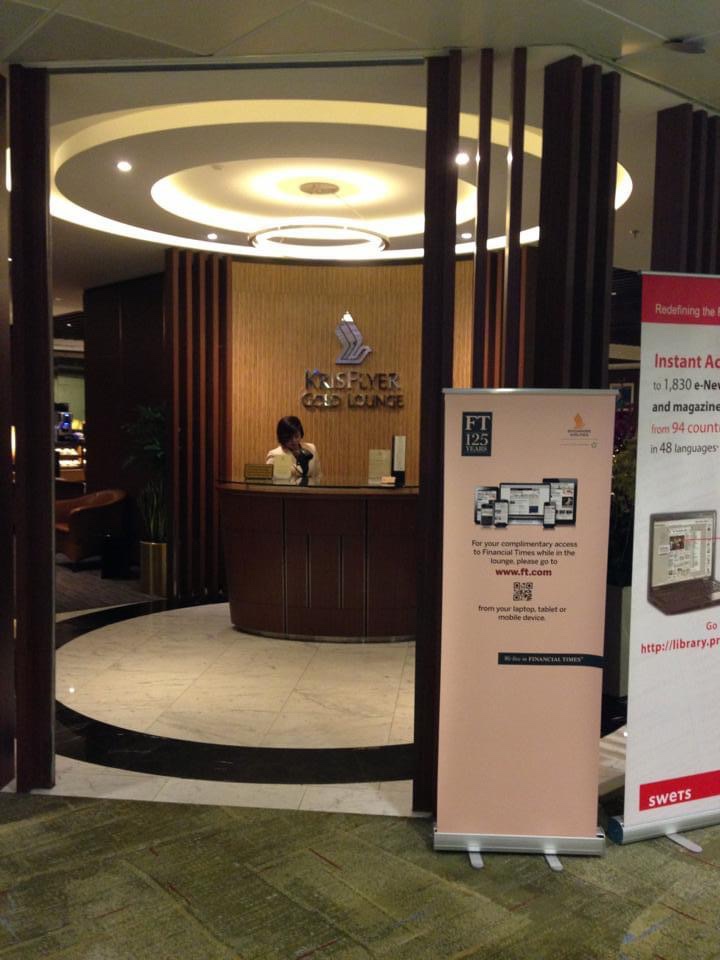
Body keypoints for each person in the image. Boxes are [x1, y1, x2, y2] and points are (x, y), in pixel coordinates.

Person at [266, 415, 321, 479]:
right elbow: (269, 480)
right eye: (289, 437)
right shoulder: (274, 455)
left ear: (301, 433)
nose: (294, 440)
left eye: (296, 436)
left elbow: (317, 475)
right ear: (282, 437)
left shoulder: (311, 448)